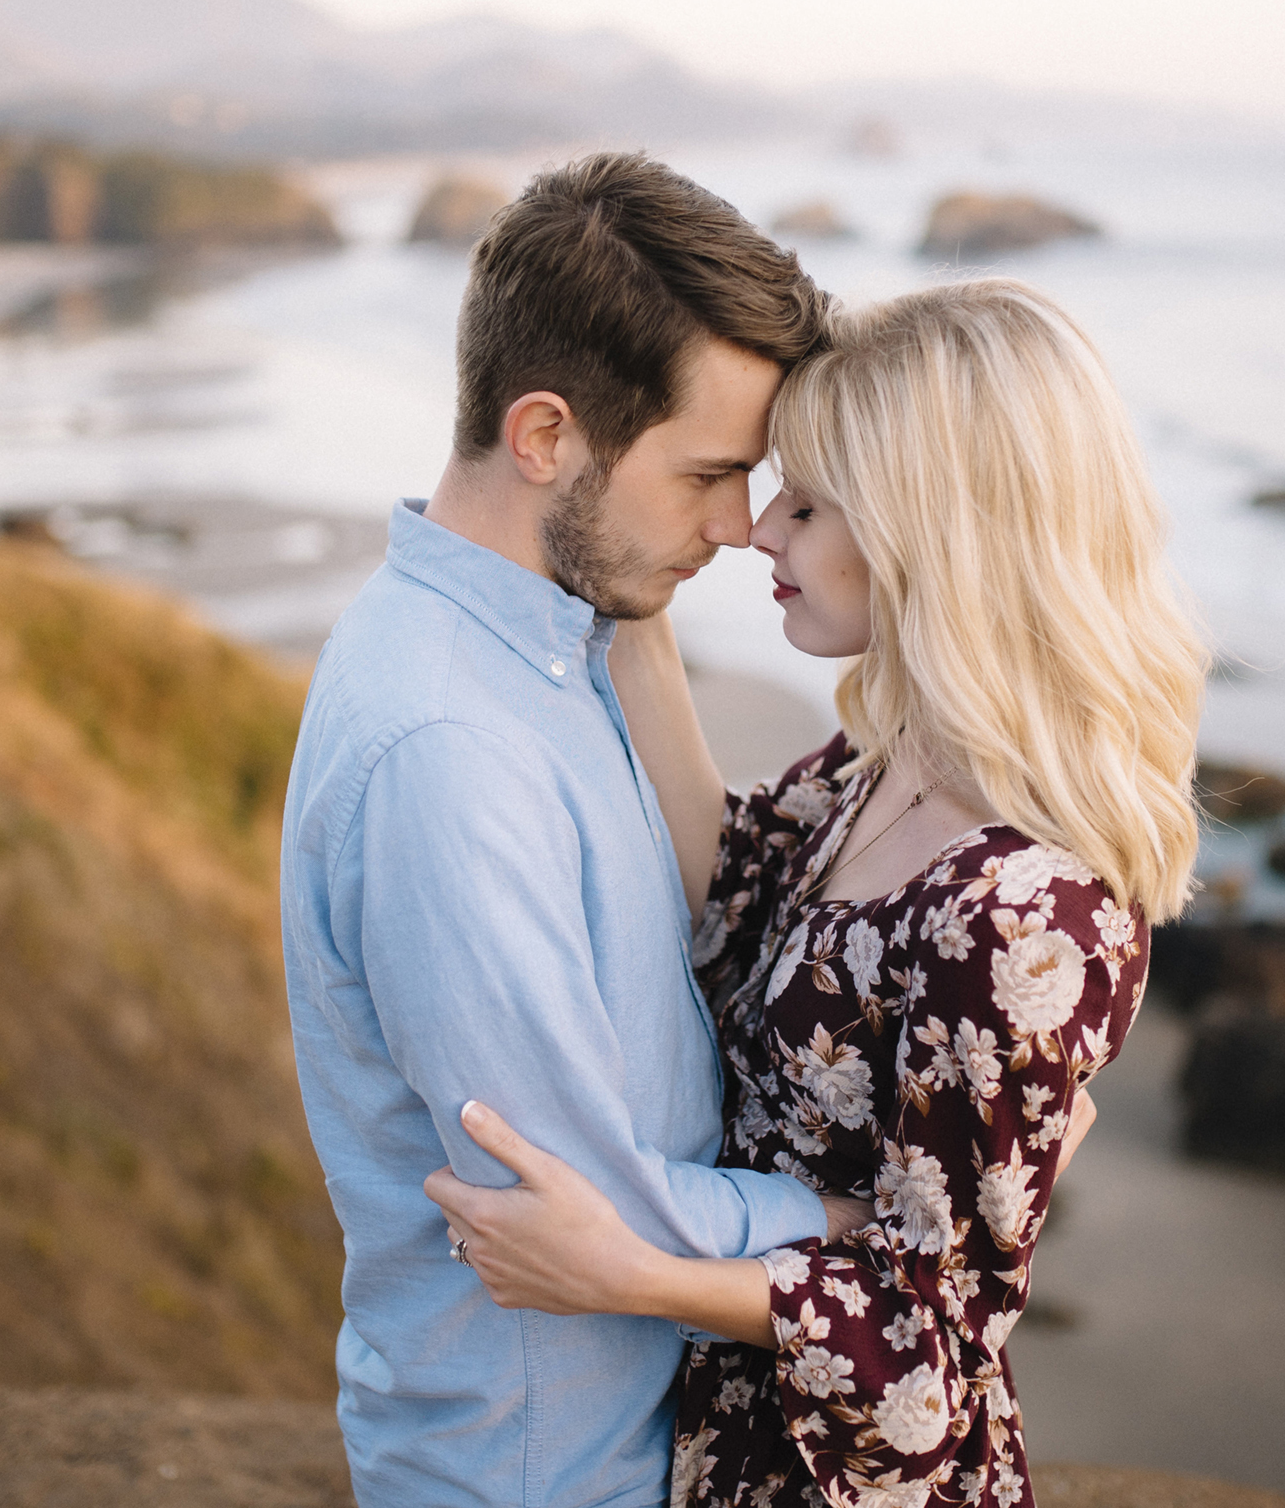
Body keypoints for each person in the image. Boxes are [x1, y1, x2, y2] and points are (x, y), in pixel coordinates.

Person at [428, 279, 1208, 1507]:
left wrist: (622, 1269)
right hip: (714, 1442)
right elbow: (729, 890)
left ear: (926, 529)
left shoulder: (1021, 919)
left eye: (805, 500)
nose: (759, 530)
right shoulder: (887, 761)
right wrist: (633, 589)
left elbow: (928, 1353)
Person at [280, 152, 872, 1508]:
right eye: (708, 474)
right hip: (540, 1469)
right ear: (544, 436)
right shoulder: (452, 750)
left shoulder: (553, 647)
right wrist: (863, 1219)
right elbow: (584, 1204)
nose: (737, 527)